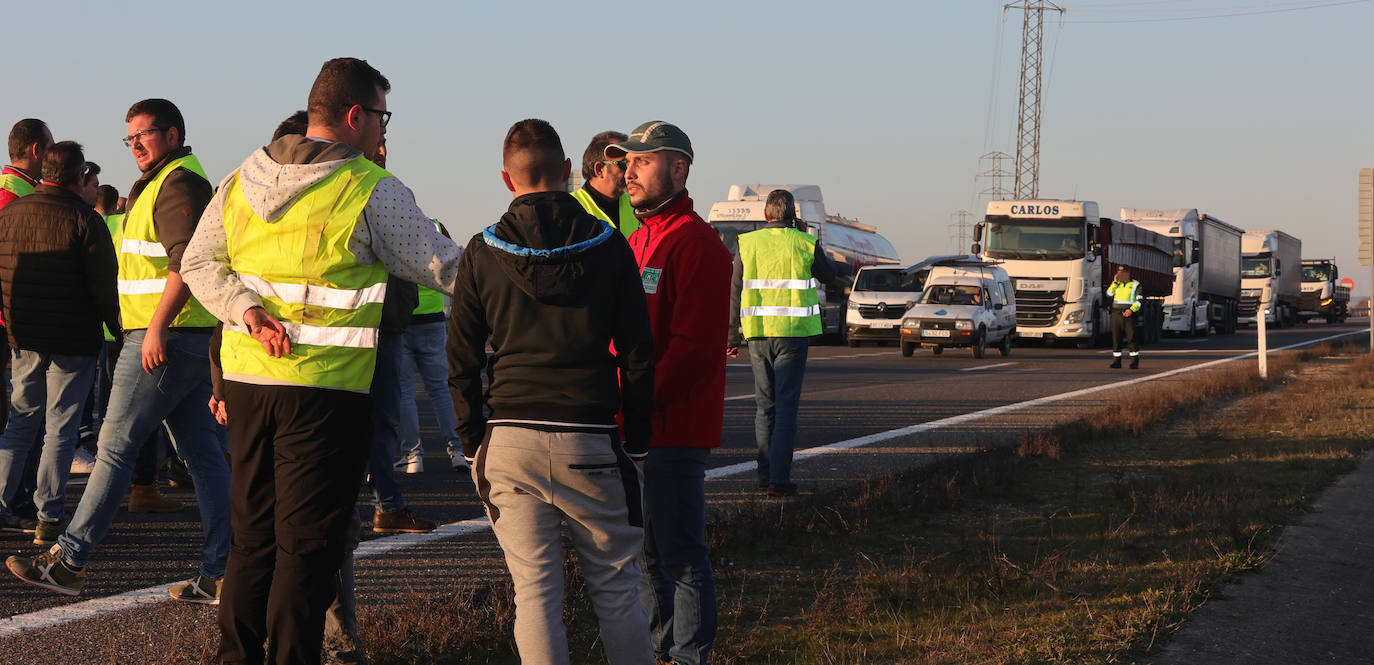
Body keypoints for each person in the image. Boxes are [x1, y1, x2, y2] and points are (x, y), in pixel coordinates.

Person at [179, 57, 462, 664]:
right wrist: (523, 263)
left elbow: (199, 265)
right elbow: (443, 267)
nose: (386, 130)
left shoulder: (238, 181)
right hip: (327, 392)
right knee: (307, 549)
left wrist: (246, 311)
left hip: (249, 383)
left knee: (252, 541)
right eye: (383, 116)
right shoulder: (367, 187)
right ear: (356, 115)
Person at [5, 99, 232, 604]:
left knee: (114, 449)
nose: (135, 146)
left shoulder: (178, 184)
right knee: (204, 458)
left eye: (144, 135)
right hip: (184, 340)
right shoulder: (167, 181)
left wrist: (154, 328)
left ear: (173, 134)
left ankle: (69, 560)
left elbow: (186, 264)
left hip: (164, 341)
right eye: (129, 138)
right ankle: (223, 570)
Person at [448, 117, 655, 665]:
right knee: (616, 591)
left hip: (510, 440)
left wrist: (473, 444)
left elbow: (462, 360)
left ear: (506, 179)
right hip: (590, 438)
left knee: (535, 594)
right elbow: (638, 354)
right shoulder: (611, 247)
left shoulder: (481, 250)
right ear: (567, 172)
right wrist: (637, 443)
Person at [606, 120, 730, 665]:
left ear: (678, 169)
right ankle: (662, 650)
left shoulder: (697, 243)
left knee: (679, 554)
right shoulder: (637, 240)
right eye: (624, 161)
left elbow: (694, 348)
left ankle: (687, 656)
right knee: (648, 555)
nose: (626, 170)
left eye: (641, 160)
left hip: (671, 427)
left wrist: (639, 401)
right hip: (632, 425)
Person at [0, 142, 119, 538]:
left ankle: (2, 504)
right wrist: (115, 330)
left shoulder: (11, 214)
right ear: (78, 175)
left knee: (20, 421)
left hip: (24, 336)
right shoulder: (85, 219)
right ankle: (48, 515)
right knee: (61, 427)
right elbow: (104, 286)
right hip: (73, 339)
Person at [727, 188, 836, 497]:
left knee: (765, 406)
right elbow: (828, 275)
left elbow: (734, 290)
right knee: (786, 407)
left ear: (765, 215)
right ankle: (779, 480)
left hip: (758, 334)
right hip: (792, 334)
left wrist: (731, 335)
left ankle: (763, 477)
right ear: (793, 216)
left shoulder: (747, 243)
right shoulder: (804, 242)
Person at [394, 216, 466, 474]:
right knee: (440, 389)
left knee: (404, 392)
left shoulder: (390, 224)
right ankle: (457, 450)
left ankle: (412, 456)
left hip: (401, 319)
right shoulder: (435, 226)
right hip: (433, 318)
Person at [570, 130, 639, 238]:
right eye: (624, 164)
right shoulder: (569, 208)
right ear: (600, 169)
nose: (630, 172)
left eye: (633, 164)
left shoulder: (637, 205)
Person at [1108, 267, 1141, 369]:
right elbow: (1109, 294)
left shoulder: (1136, 284)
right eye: (1119, 272)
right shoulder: (1117, 284)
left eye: (1123, 272)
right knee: (1116, 338)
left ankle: (1134, 362)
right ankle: (1117, 361)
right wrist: (1114, 283)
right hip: (1116, 313)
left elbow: (1139, 301)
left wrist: (1131, 310)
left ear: (1128, 273)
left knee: (1131, 338)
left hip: (1129, 314)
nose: (1121, 274)